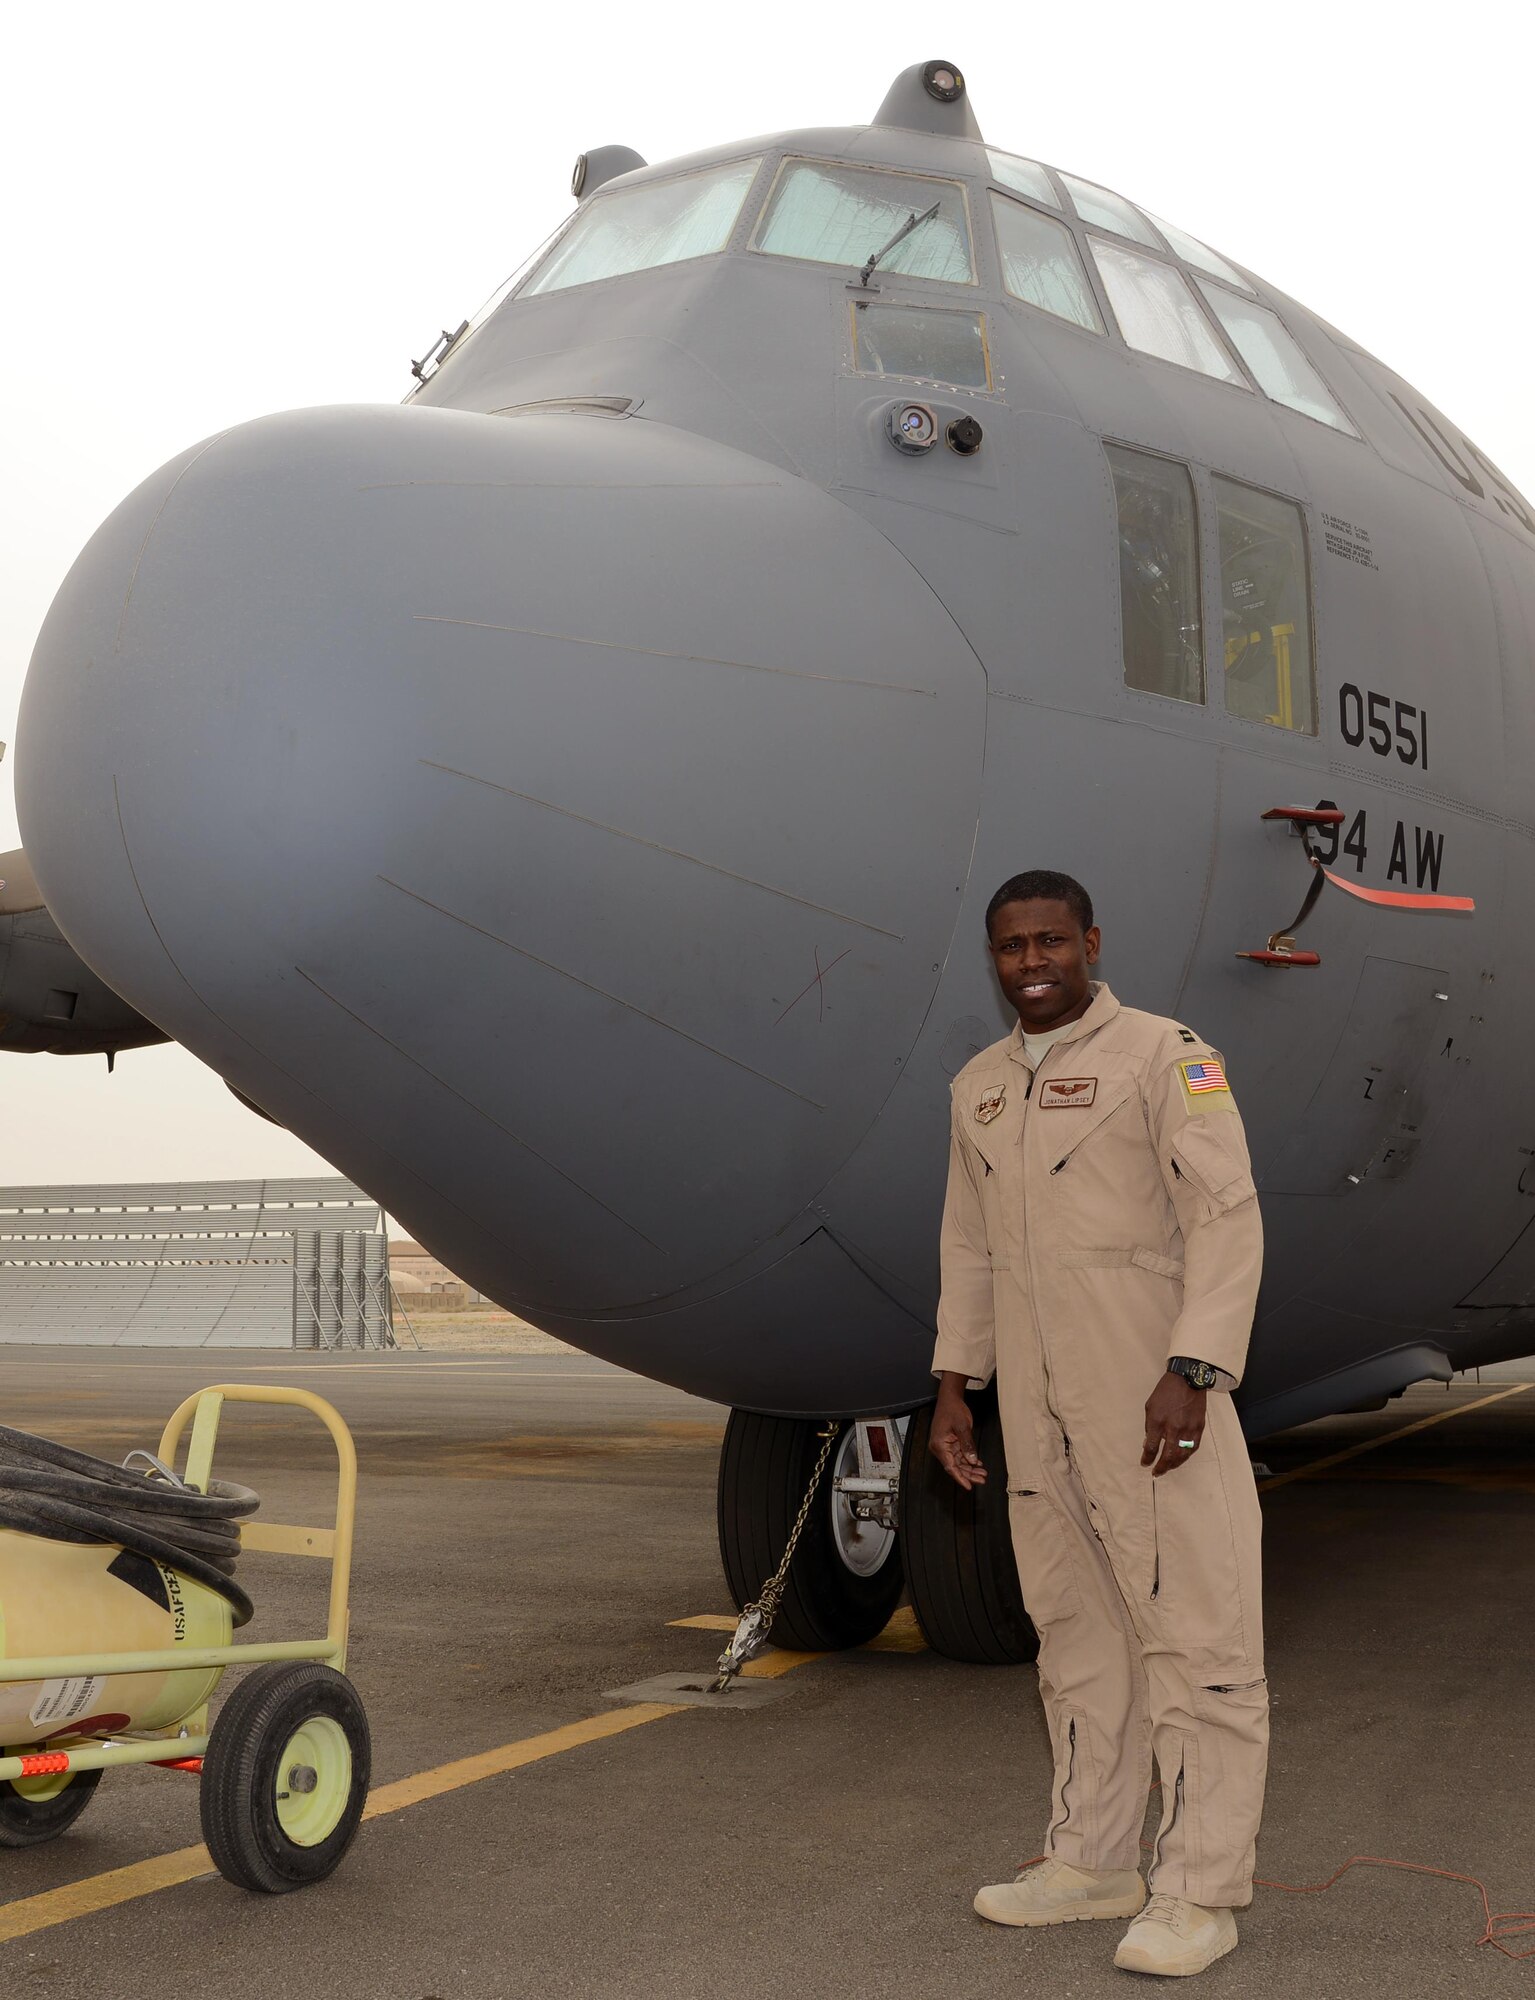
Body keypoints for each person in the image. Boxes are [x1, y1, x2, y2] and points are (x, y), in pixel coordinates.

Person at [930, 869, 1267, 1979]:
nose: (1031, 963)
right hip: (1037, 1416)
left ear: (1089, 942)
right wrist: (952, 1383)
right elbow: (968, 1250)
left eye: (1049, 942)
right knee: (1076, 1636)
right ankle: (1092, 1857)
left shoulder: (1164, 1057)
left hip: (1151, 1404)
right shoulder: (977, 1087)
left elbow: (1224, 1215)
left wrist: (1193, 1365)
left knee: (1194, 1638)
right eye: (1010, 947)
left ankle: (1199, 1886)